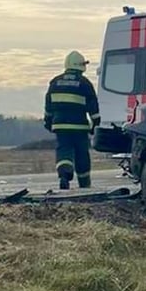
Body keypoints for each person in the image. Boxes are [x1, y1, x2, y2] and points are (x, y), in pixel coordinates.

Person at [44, 50, 100, 189]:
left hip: (60, 126)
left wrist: (48, 122)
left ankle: (64, 175)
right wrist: (95, 125)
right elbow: (93, 107)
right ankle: (84, 184)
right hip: (79, 127)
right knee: (82, 154)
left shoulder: (55, 82)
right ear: (81, 66)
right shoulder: (84, 83)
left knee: (64, 150)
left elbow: (48, 106)